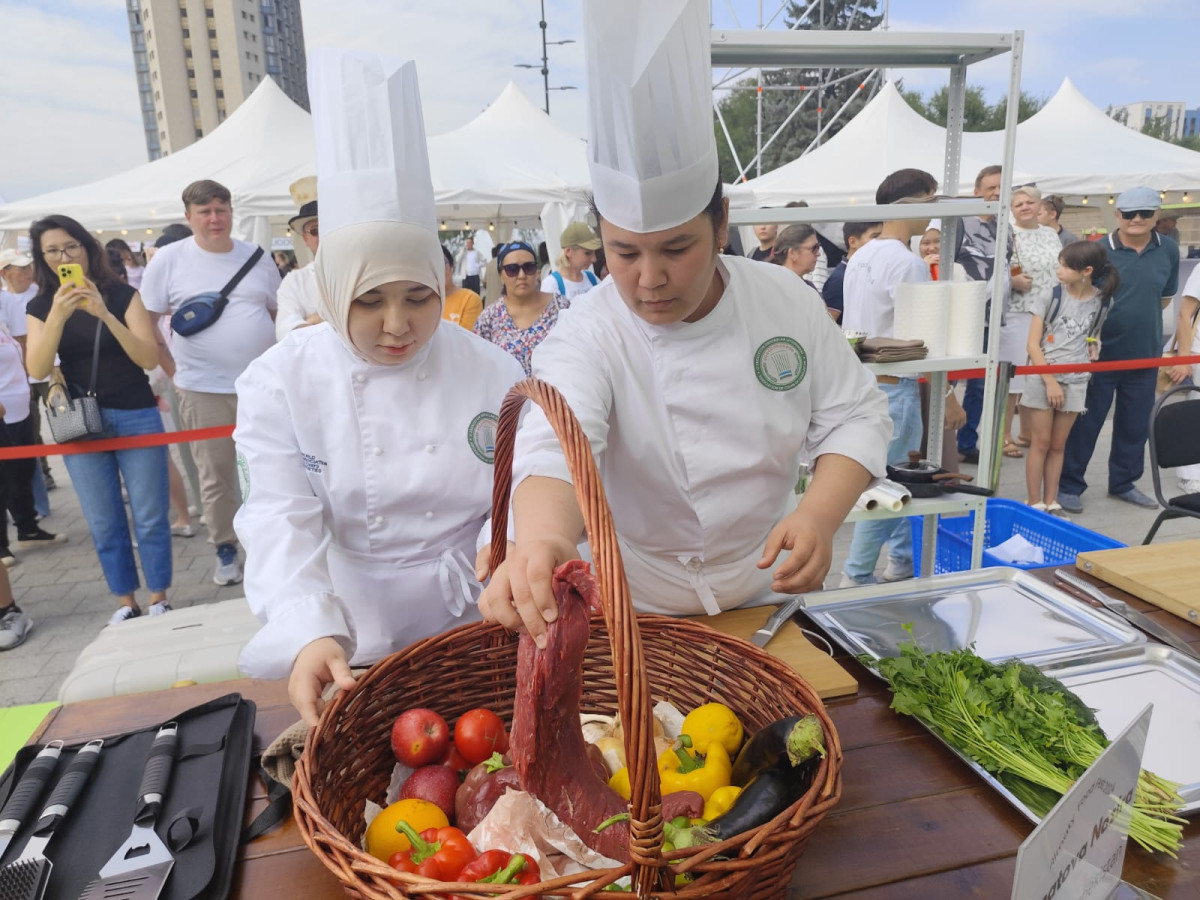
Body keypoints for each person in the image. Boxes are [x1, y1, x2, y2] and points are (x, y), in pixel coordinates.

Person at [479, 0, 891, 640]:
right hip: (636, 604)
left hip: (766, 588)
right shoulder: (589, 330)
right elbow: (556, 444)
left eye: (676, 249)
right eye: (624, 252)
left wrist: (818, 516)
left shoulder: (783, 299)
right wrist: (543, 538)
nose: (649, 279)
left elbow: (856, 414)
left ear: (721, 223)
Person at [234, 48, 525, 725]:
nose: (397, 326)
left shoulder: (491, 370)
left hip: (477, 616)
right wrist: (311, 631)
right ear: (333, 290)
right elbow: (280, 513)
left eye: (419, 296)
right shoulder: (282, 381)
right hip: (348, 629)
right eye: (369, 300)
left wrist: (501, 547)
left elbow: (521, 486)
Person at [25, 215, 171, 623]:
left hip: (136, 412)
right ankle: (126, 601)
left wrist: (104, 314)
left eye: (70, 247)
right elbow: (36, 368)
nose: (63, 256)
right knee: (104, 520)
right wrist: (57, 316)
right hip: (79, 420)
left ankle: (159, 594)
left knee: (150, 514)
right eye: (52, 251)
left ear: (87, 248)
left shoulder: (123, 295)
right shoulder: (39, 306)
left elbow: (146, 357)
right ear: (42, 258)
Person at [140, 179, 281, 585]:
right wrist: (171, 370)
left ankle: (270, 546)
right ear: (189, 217)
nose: (215, 218)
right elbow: (148, 321)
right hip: (202, 389)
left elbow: (275, 313)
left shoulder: (256, 256)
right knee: (216, 475)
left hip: (261, 388)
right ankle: (224, 547)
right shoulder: (168, 259)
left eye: (221, 209)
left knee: (268, 468)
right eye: (205, 212)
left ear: (231, 212)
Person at [839, 168, 966, 587]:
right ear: (911, 205)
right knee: (891, 487)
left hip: (865, 379)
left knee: (887, 479)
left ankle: (899, 562)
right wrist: (947, 393)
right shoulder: (907, 263)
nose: (932, 214)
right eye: (930, 202)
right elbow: (922, 338)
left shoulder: (861, 257)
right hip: (898, 383)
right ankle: (857, 575)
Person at [1058, 186, 1181, 513]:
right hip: (1098, 356)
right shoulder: (1098, 250)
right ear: (1117, 215)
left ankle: (1124, 482)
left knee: (1136, 424)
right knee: (1086, 423)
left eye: (1144, 213)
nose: (1136, 219)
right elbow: (1074, 294)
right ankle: (1070, 484)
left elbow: (1165, 297)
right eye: (1129, 213)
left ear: (1157, 215)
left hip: (1144, 353)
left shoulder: (1168, 249)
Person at [1024, 242, 1118, 514]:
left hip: (1077, 377)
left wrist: (1093, 344)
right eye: (1060, 264)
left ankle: (1052, 500)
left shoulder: (1102, 301)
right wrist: (1050, 381)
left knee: (1057, 444)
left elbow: (1093, 332)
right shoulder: (1050, 295)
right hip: (1043, 375)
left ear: (1086, 271)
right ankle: (1033, 502)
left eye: (1066, 266)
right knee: (1040, 442)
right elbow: (1032, 345)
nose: (1059, 270)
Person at [954, 165, 1009, 464]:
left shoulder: (1006, 226)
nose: (997, 193)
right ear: (977, 191)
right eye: (991, 187)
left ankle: (966, 442)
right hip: (963, 317)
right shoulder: (959, 222)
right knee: (948, 381)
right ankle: (935, 444)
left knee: (980, 385)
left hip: (993, 318)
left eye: (1002, 187)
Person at [1004, 184, 1059, 458]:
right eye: (1018, 204)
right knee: (1012, 378)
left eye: (1029, 202)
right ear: (1012, 209)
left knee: (1035, 375)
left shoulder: (1050, 234)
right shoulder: (1007, 233)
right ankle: (1003, 436)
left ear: (1040, 207)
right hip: (1018, 310)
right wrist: (1013, 280)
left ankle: (1027, 432)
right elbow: (1004, 266)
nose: (1024, 207)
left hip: (1046, 313)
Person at [0, 250, 55, 493]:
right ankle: (41, 474)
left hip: (51, 367)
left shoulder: (43, 293)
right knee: (29, 427)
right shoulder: (3, 300)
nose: (27, 272)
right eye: (20, 268)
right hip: (20, 376)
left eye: (28, 267)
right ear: (4, 273)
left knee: (67, 418)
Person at [473, 241, 570, 375]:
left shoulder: (561, 307)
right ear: (501, 276)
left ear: (536, 272)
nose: (522, 275)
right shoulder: (489, 318)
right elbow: (478, 366)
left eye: (528, 267)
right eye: (512, 269)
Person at [275, 188, 324, 339]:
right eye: (315, 230)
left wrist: (314, 320)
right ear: (306, 240)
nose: (323, 234)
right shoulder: (295, 281)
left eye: (328, 226)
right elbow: (286, 332)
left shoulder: (363, 270)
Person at [1172, 263, 1200, 493]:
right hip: (1198, 351)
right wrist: (1183, 357)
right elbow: (1184, 313)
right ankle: (1190, 474)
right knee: (1196, 413)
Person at [823, 221, 882, 324]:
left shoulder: (869, 271)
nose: (880, 242)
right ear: (853, 242)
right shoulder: (840, 278)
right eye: (874, 237)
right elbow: (828, 324)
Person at [541, 223, 601, 300]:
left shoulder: (593, 279)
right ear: (568, 251)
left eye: (594, 253)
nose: (594, 259)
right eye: (587, 253)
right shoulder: (551, 284)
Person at [440, 244, 483, 329]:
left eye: (441, 263)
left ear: (452, 267)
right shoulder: (419, 301)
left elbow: (467, 339)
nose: (438, 270)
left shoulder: (469, 299)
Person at [773, 224, 821, 291]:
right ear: (792, 253)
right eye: (814, 248)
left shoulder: (809, 288)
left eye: (818, 247)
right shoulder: (773, 287)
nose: (818, 254)